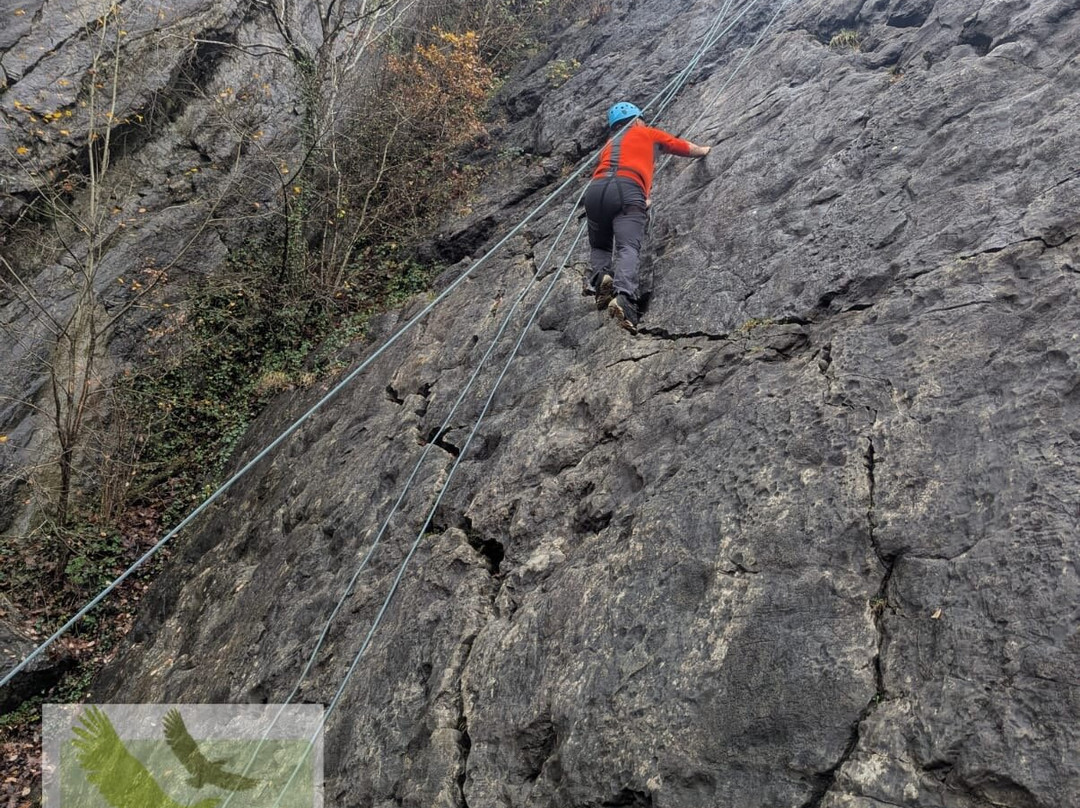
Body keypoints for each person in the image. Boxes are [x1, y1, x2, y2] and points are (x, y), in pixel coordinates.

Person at [583, 102, 711, 333]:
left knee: (600, 245)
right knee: (627, 246)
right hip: (628, 189)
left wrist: (639, 200)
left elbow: (616, 172)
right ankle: (624, 298)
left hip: (595, 192)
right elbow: (680, 146)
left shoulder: (609, 145)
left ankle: (601, 277)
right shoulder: (647, 133)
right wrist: (703, 150)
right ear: (637, 120)